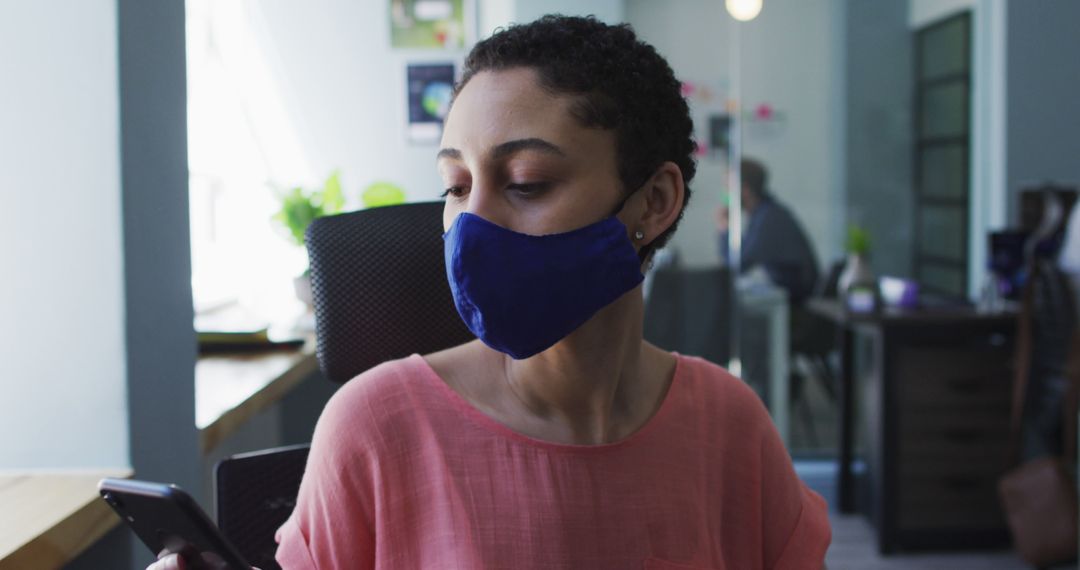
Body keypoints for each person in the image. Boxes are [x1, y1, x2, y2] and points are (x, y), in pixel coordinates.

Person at [151, 15, 829, 570]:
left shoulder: (730, 426)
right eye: (455, 186)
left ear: (653, 202)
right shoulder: (372, 427)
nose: (472, 224)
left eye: (527, 181)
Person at [717, 158, 820, 305]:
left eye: (727, 188)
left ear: (744, 190)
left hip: (798, 307)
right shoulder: (763, 214)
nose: (725, 194)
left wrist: (724, 229)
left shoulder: (769, 218)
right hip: (789, 301)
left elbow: (736, 265)